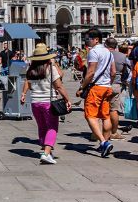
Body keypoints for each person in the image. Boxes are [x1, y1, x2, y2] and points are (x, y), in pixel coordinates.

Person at [20, 44, 71, 164]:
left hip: (35, 103)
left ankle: (45, 149)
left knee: (42, 126)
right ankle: (46, 154)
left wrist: (23, 94)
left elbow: (29, 84)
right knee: (52, 127)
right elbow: (59, 85)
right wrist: (67, 99)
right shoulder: (50, 68)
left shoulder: (31, 70)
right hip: (48, 102)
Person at [77, 28, 116, 158]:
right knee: (105, 116)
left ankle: (103, 142)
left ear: (96, 39)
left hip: (96, 88)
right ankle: (104, 144)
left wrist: (82, 87)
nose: (86, 41)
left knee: (90, 115)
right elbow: (113, 72)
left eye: (88, 39)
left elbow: (91, 72)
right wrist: (108, 83)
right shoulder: (109, 52)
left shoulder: (93, 52)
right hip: (106, 87)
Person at [107, 38, 130, 141]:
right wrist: (122, 79)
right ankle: (114, 133)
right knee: (114, 110)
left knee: (100, 109)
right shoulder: (122, 56)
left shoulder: (102, 54)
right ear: (116, 46)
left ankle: (97, 133)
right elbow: (126, 71)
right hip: (116, 84)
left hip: (102, 84)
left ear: (106, 45)